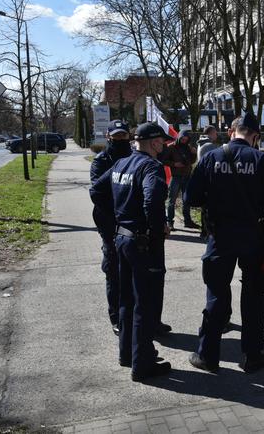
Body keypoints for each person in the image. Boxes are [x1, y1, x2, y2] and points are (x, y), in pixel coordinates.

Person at [185, 112, 264, 374]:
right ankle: (252, 355)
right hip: (252, 236)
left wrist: (215, 200)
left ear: (231, 132)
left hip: (220, 236)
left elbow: (191, 197)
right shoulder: (261, 160)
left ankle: (207, 355)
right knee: (253, 295)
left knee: (216, 293)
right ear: (255, 136)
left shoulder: (211, 157)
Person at [90, 122, 173, 381]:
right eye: (161, 142)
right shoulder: (151, 167)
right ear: (155, 142)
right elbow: (153, 200)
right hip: (141, 243)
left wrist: (117, 218)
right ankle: (143, 364)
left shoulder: (122, 163)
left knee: (126, 300)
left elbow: (96, 190)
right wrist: (157, 231)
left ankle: (127, 354)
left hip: (121, 238)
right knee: (144, 305)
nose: (163, 146)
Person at [90, 120, 132, 337]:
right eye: (116, 136)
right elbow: (98, 193)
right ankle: (116, 318)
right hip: (109, 223)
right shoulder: (101, 160)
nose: (119, 140)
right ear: (108, 137)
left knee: (137, 273)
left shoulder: (133, 157)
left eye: (123, 136)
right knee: (114, 272)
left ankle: (143, 318)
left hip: (132, 223)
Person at [164, 129, 198, 230]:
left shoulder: (188, 147)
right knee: (171, 201)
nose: (184, 141)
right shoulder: (171, 147)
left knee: (186, 200)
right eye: (182, 139)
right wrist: (174, 164)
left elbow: (192, 161)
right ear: (179, 138)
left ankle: (187, 221)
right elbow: (163, 160)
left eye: (186, 139)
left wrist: (194, 153)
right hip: (176, 177)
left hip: (187, 176)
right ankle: (170, 222)